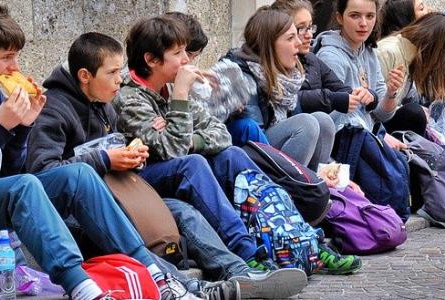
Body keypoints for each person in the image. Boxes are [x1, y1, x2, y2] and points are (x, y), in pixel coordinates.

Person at [0, 3, 228, 299]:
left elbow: (11, 174)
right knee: (25, 187)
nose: (15, 67)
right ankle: (82, 288)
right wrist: (0, 127)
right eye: (6, 58)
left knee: (78, 174)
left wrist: (21, 127)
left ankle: (153, 272)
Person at [25, 31, 308, 298]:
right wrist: (106, 158)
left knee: (185, 211)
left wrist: (131, 157)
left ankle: (240, 271)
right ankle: (191, 286)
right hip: (79, 215)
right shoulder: (54, 107)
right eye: (111, 73)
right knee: (145, 215)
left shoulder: (102, 103)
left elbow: (113, 154)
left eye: (119, 71)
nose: (118, 81)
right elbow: (43, 173)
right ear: (84, 76)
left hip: (120, 193)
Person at [114, 15, 363, 275]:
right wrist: (180, 97)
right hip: (140, 180)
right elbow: (173, 152)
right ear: (151, 60)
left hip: (178, 165)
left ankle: (304, 238)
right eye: (177, 53)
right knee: (194, 163)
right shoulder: (130, 98)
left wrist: (190, 138)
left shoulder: (169, 87)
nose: (187, 60)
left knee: (233, 154)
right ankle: (247, 253)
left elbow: (219, 133)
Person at [220, 8, 337, 170]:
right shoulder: (244, 78)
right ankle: (292, 188)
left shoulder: (287, 75)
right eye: (291, 37)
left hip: (275, 151)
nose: (299, 41)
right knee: (306, 124)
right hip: (253, 160)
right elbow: (255, 144)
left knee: (323, 120)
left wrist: (332, 167)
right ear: (269, 44)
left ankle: (316, 183)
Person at [314, 0, 403, 141]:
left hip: (367, 134)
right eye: (355, 16)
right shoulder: (330, 56)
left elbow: (382, 114)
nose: (363, 23)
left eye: (370, 16)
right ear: (339, 18)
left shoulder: (368, 52)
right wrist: (379, 137)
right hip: (342, 139)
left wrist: (391, 93)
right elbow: (340, 117)